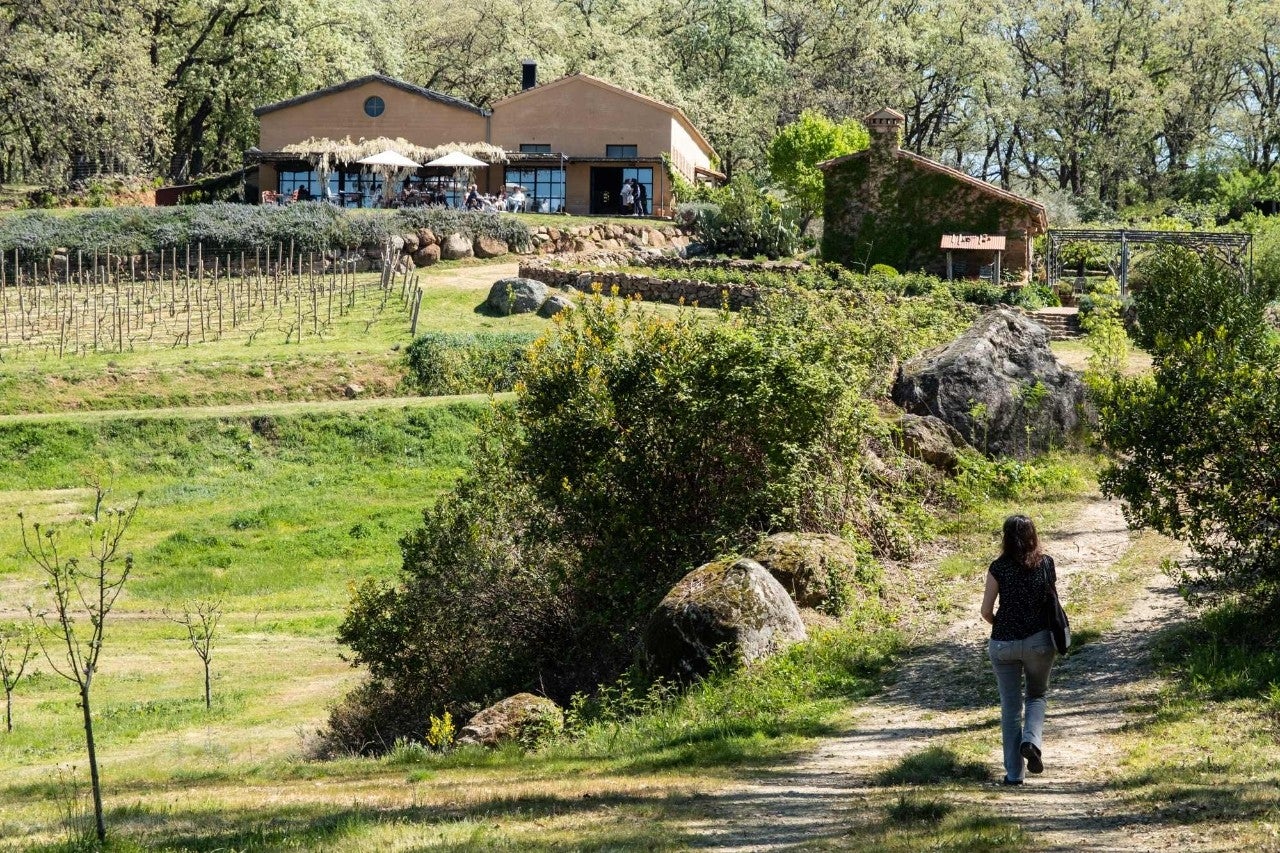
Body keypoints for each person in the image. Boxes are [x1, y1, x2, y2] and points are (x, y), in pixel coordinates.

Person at [980, 514, 1057, 786]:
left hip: (1003, 644)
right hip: (1039, 642)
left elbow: (986, 611)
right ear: (1033, 535)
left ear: (1005, 538)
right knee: (1037, 695)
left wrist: (1001, 625)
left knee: (1010, 708)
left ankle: (1014, 775)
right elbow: (1051, 602)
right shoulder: (1046, 564)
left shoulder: (998, 568)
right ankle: (1031, 741)